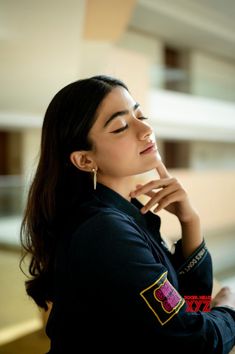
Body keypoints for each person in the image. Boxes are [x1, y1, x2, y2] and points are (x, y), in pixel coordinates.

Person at [20, 74, 235, 353]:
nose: (145, 130)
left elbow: (188, 304)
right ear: (85, 159)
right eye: (121, 126)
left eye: (140, 116)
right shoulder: (105, 231)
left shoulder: (125, 214)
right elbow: (194, 342)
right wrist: (229, 310)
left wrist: (189, 221)